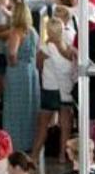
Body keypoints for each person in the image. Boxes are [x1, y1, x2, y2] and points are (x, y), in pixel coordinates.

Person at [32, 17, 76, 161]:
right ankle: (63, 155)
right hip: (66, 90)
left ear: (48, 32)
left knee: (43, 126)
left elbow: (37, 65)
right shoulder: (69, 49)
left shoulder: (46, 49)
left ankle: (34, 156)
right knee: (65, 126)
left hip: (50, 89)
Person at [4, 1, 40, 153]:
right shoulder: (32, 31)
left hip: (18, 71)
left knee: (15, 109)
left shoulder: (16, 32)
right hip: (31, 71)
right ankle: (29, 142)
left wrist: (12, 64)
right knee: (29, 108)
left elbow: (12, 53)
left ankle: (15, 144)